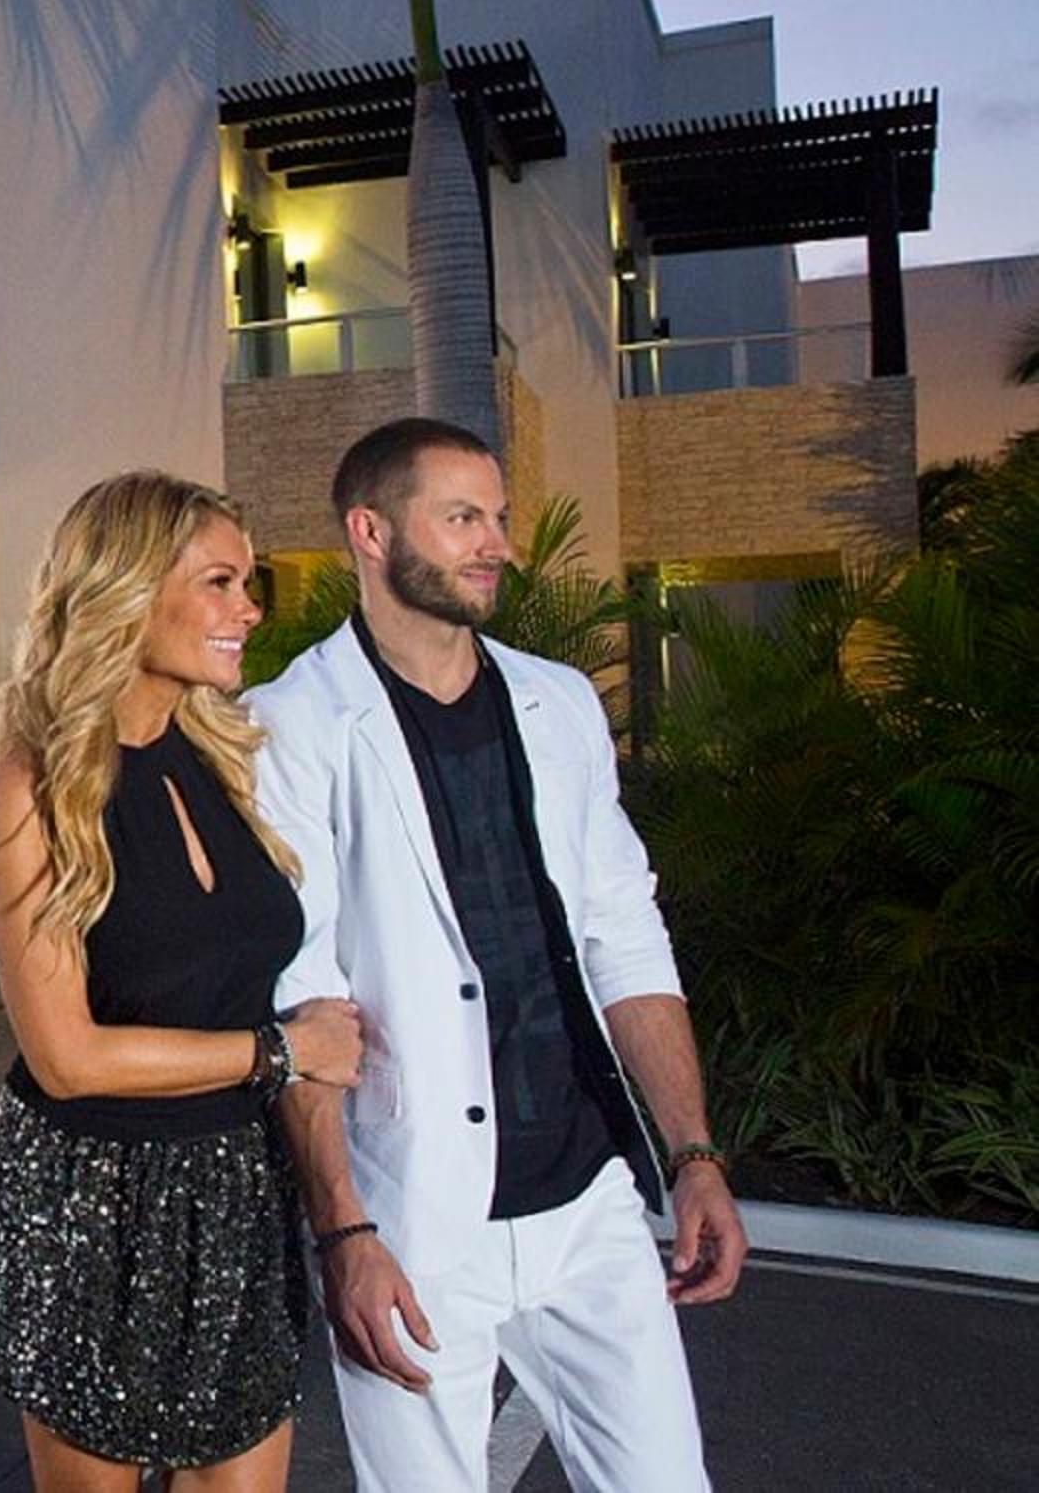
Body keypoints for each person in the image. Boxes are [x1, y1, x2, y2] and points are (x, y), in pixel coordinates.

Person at [249, 418, 742, 1492]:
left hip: (588, 1197)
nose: (498, 545)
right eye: (463, 517)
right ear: (371, 531)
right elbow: (302, 999)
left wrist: (693, 1155)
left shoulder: (557, 700)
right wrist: (344, 1230)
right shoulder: (291, 725)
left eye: (500, 518)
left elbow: (623, 933)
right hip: (416, 1215)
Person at [0, 471, 364, 1490]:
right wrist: (283, 1051)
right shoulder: (29, 785)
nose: (249, 609)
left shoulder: (223, 753)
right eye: (220, 582)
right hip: (92, 1200)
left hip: (235, 1192)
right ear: (126, 590)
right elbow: (67, 1056)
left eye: (247, 583)